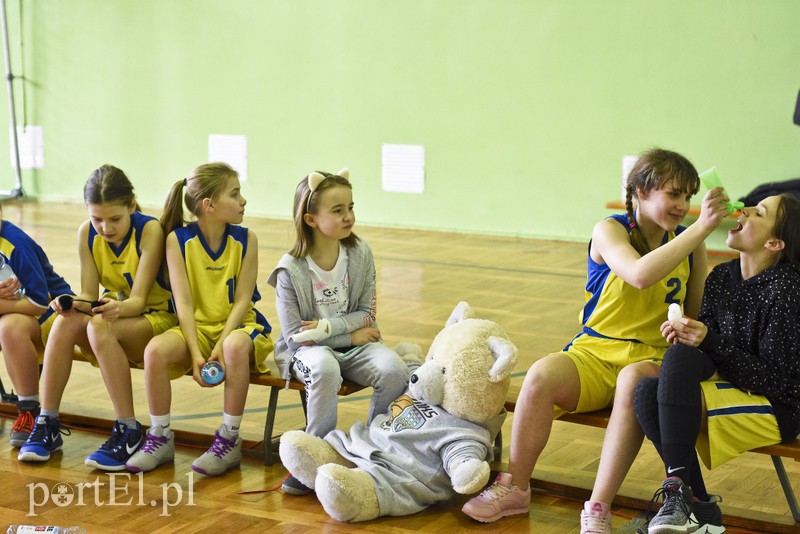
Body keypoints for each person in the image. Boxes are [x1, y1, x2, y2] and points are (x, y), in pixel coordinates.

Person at [461, 148, 731, 528]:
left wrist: (688, 326)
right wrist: (702, 228)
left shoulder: (690, 243)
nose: (683, 205)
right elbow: (638, 274)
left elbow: (696, 311)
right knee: (540, 375)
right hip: (595, 350)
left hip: (650, 358)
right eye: (674, 194)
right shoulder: (610, 229)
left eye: (688, 196)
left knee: (632, 381)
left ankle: (598, 507)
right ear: (640, 191)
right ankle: (516, 488)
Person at [633, 193, 800, 534]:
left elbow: (779, 381)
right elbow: (709, 352)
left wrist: (708, 340)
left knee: (671, 371)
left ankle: (680, 499)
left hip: (779, 405)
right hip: (737, 386)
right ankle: (700, 510)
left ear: (774, 242)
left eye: (759, 212)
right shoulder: (721, 276)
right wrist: (687, 336)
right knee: (646, 392)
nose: (744, 209)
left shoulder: (787, 288)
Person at [18, 165, 177, 470]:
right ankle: (47, 422)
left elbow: (138, 301)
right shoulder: (86, 233)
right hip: (112, 316)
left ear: (132, 205)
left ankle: (128, 429)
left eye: (115, 219)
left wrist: (107, 309)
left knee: (100, 326)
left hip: (154, 319)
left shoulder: (150, 230)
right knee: (65, 322)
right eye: (97, 219)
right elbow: (90, 294)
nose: (105, 227)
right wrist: (69, 303)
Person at [266, 168, 409, 496]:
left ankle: (374, 452)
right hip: (308, 351)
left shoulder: (360, 254)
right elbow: (295, 337)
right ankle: (314, 457)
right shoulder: (289, 270)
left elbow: (367, 314)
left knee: (394, 369)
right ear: (311, 219)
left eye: (350, 207)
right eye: (338, 210)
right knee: (325, 368)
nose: (349, 216)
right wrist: (347, 336)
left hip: (358, 342)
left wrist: (332, 329)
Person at [125, 162, 273, 477]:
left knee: (233, 347)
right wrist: (195, 353)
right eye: (235, 194)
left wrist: (218, 347)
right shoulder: (176, 240)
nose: (243, 200)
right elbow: (183, 302)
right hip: (197, 329)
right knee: (155, 351)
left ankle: (229, 439)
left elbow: (244, 300)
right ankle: (160, 436)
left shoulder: (248, 239)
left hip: (240, 328)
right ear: (209, 205)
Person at [0, 205, 73, 447]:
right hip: (17, 311)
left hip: (55, 316)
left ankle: (29, 412)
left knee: (10, 327)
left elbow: (40, 303)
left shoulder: (17, 245)